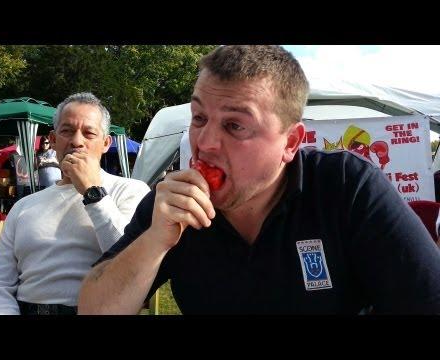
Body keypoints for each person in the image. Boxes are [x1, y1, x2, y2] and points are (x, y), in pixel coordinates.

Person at [78, 46, 440, 315]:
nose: (203, 144)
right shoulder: (171, 204)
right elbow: (94, 309)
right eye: (199, 118)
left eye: (235, 125)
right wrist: (155, 241)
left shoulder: (345, 186)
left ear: (291, 142)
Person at [0, 92, 150, 315]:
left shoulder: (131, 191)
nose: (76, 141)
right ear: (52, 139)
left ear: (106, 143)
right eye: (67, 131)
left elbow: (129, 262)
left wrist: (92, 191)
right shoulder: (24, 206)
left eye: (89, 133)